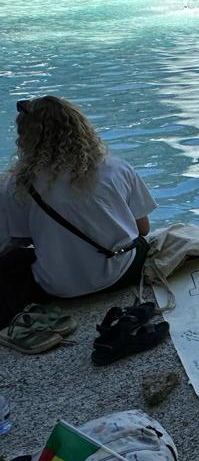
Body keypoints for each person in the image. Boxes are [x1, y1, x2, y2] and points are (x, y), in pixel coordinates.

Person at [0, 97, 156, 329]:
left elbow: (18, 240)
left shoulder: (17, 185)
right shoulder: (115, 168)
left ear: (25, 138)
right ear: (80, 127)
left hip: (57, 287)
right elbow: (143, 229)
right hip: (121, 274)